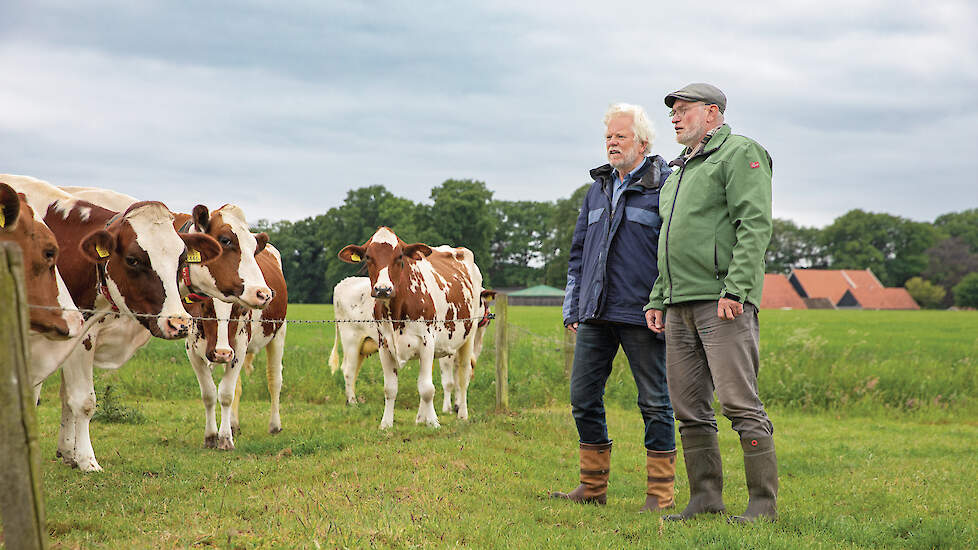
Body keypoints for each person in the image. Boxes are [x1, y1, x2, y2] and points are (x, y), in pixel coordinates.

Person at [644, 83, 778, 523]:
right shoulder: (678, 170)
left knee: (739, 403)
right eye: (673, 113)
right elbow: (668, 242)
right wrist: (659, 298)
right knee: (687, 408)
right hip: (678, 304)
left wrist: (736, 290)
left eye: (684, 110)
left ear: (713, 113)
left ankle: (762, 503)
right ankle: (705, 497)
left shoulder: (739, 153)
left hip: (722, 302)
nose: (675, 119)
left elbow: (753, 224)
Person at [552, 103, 675, 511]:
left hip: (644, 313)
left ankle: (659, 494)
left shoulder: (666, 186)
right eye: (608, 137)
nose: (611, 143)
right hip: (595, 313)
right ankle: (592, 487)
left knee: (654, 402)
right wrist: (573, 305)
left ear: (642, 143)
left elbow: (672, 253)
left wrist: (664, 303)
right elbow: (578, 253)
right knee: (583, 397)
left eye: (620, 136)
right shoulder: (597, 188)